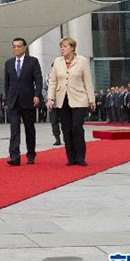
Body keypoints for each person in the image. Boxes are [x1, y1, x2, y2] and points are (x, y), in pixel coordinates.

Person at [47, 37, 96, 167]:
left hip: (79, 99)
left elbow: (88, 81)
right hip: (63, 99)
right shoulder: (57, 62)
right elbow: (53, 81)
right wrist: (50, 98)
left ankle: (81, 157)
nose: (62, 49)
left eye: (65, 46)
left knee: (77, 127)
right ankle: (71, 157)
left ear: (72, 48)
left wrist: (92, 99)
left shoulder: (82, 61)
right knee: (66, 129)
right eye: (61, 47)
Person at [4, 37, 43, 166]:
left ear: (24, 47)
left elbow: (38, 80)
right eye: (14, 46)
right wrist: (7, 99)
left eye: (19, 46)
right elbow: (7, 83)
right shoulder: (9, 63)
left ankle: (31, 154)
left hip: (28, 100)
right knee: (14, 129)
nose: (16, 49)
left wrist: (37, 95)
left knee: (29, 129)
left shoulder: (32, 62)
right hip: (13, 102)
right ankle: (14, 156)